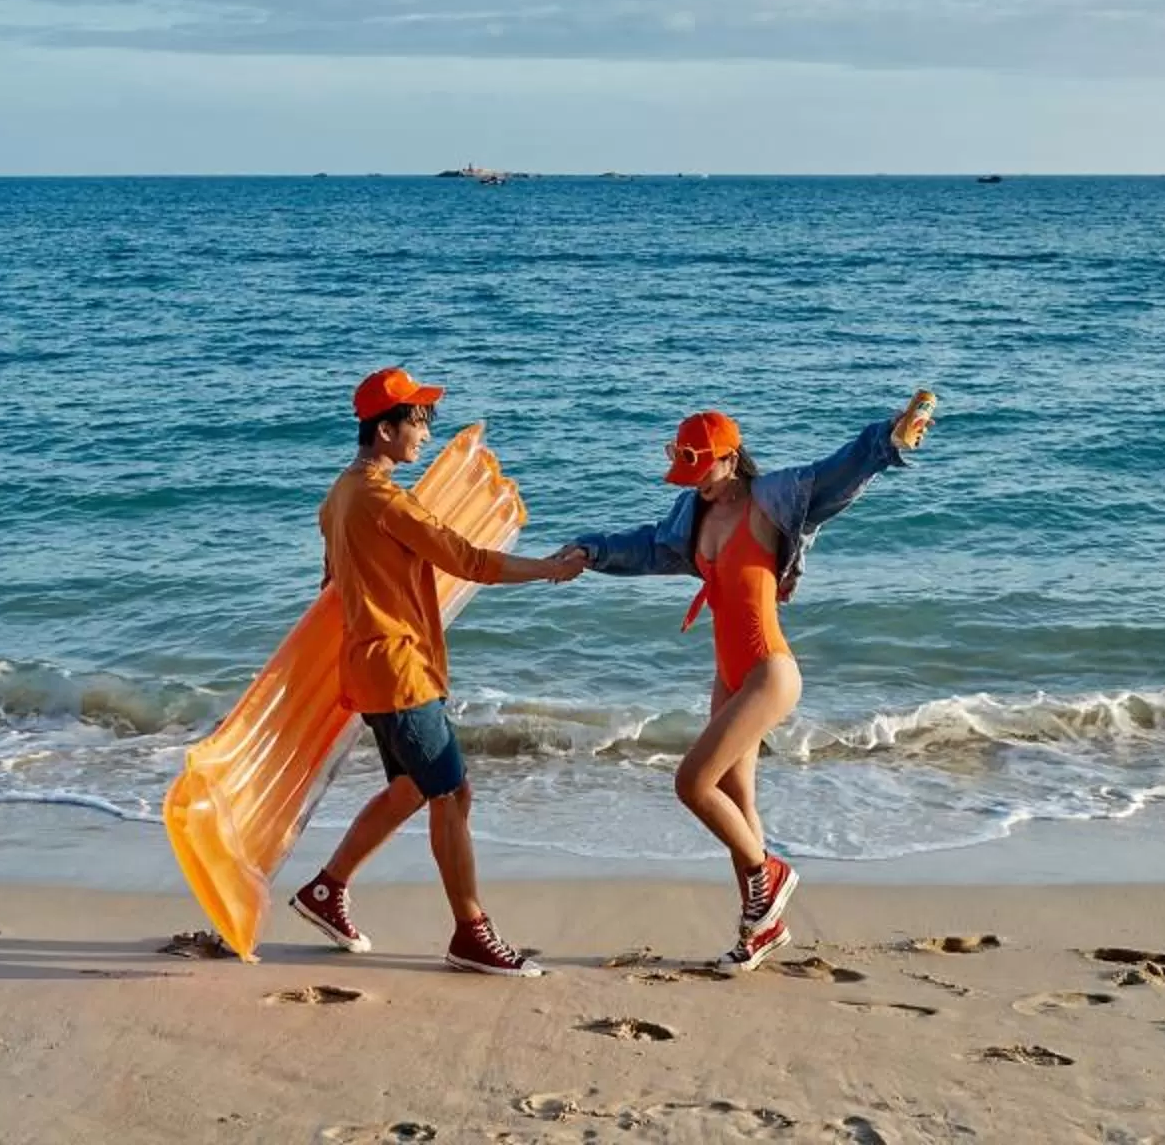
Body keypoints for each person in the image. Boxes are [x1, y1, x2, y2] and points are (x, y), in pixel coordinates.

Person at [565, 390, 937, 967]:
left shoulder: (774, 501)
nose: (695, 482)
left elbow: (836, 474)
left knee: (691, 784)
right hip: (728, 674)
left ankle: (771, 871)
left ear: (730, 459)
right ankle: (762, 931)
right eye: (687, 470)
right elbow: (644, 546)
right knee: (738, 801)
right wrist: (590, 550)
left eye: (703, 468)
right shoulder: (694, 516)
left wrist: (887, 439)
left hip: (769, 671)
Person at [286, 366, 587, 977]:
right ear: (385, 427)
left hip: (369, 668)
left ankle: (326, 889)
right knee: (452, 792)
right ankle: (471, 933)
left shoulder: (338, 496)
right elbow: (466, 560)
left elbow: (330, 583)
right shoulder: (383, 499)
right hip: (399, 670)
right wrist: (549, 571)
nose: (425, 434)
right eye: (418, 421)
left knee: (414, 787)